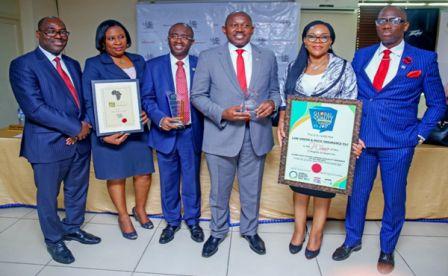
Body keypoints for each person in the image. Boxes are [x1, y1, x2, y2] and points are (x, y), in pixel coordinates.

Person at [332, 6, 446, 273]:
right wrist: (349, 134)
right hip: (363, 141)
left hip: (399, 143)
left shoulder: (423, 59)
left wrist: (419, 134)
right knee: (357, 194)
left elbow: (438, 104)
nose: (386, 25)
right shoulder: (362, 56)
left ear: (405, 25)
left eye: (394, 20)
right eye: (381, 20)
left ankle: (387, 248)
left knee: (394, 197)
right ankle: (352, 240)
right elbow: (351, 96)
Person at [9, 16, 101, 264]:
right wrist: (74, 128)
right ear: (38, 35)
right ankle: (53, 240)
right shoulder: (23, 65)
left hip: (79, 142)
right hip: (47, 144)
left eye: (62, 31)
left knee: (77, 190)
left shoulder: (72, 63)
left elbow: (83, 100)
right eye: (51, 31)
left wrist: (85, 125)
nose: (59, 35)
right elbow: (34, 108)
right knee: (48, 196)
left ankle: (72, 227)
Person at [191, 11, 281, 257]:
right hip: (220, 135)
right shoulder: (209, 57)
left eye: (244, 25)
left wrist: (272, 104)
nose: (239, 29)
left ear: (252, 29)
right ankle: (218, 232)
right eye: (234, 25)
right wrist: (222, 113)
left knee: (252, 190)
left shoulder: (268, 56)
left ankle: (250, 231)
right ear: (224, 29)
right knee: (219, 190)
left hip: (257, 134)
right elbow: (197, 96)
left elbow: (275, 91)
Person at [277, 20, 358, 259]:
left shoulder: (343, 67)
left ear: (331, 41)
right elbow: (284, 98)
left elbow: (351, 103)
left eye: (324, 37)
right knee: (300, 186)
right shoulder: (294, 66)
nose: (318, 41)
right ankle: (299, 230)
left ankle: (317, 234)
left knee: (323, 188)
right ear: (304, 40)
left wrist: (349, 139)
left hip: (329, 138)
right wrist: (282, 120)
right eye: (312, 36)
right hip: (300, 136)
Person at [82, 20, 155, 240]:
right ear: (102, 42)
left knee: (143, 172)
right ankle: (123, 215)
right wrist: (104, 132)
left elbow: (147, 92)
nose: (117, 42)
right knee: (116, 175)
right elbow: (89, 100)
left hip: (137, 128)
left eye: (121, 36)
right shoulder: (94, 63)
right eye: (111, 38)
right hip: (109, 132)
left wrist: (147, 113)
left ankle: (139, 209)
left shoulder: (138, 60)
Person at [141, 23, 204, 244]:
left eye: (185, 36)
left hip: (191, 132)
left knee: (191, 180)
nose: (179, 40)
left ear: (192, 42)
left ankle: (193, 220)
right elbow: (146, 98)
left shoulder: (201, 65)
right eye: (174, 36)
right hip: (164, 133)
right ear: (168, 38)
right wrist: (159, 119)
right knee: (168, 181)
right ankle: (172, 222)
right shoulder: (152, 66)